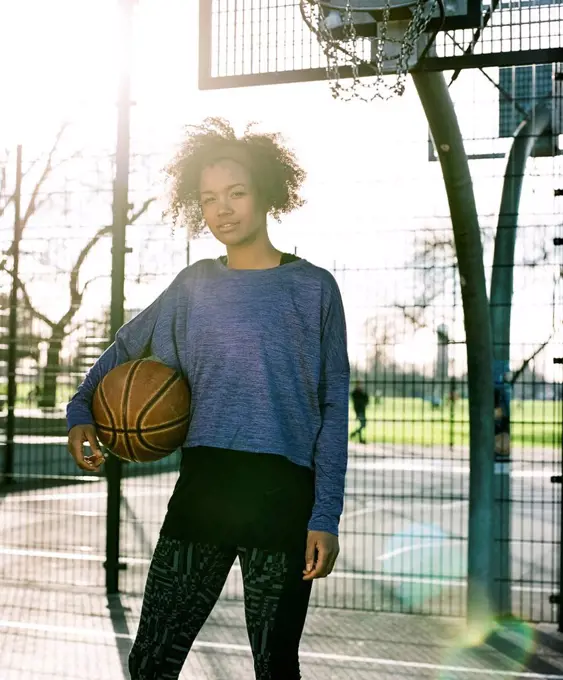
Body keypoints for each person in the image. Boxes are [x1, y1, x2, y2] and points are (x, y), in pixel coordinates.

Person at [66, 117, 350, 680]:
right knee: (151, 661)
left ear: (267, 190)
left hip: (283, 499)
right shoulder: (194, 286)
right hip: (205, 490)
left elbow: (334, 407)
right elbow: (126, 348)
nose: (223, 209)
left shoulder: (313, 288)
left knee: (274, 667)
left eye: (237, 193)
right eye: (209, 198)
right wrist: (80, 412)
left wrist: (326, 515)